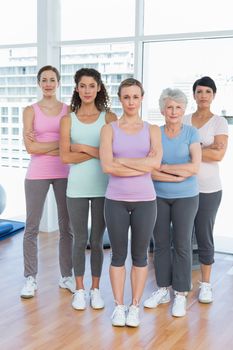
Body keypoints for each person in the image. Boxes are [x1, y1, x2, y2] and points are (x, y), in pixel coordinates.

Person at [100, 78, 162, 327]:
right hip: (115, 200)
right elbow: (106, 166)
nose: (131, 101)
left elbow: (155, 164)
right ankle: (119, 306)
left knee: (140, 257)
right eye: (126, 97)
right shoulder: (109, 129)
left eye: (135, 96)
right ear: (120, 99)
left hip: (146, 201)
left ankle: (134, 305)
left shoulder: (152, 129)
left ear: (141, 98)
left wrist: (121, 162)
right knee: (117, 256)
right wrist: (141, 165)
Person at [60, 68, 117, 311]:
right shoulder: (67, 120)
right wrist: (97, 153)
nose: (87, 90)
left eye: (91, 86)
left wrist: (81, 147)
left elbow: (111, 155)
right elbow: (65, 156)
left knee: (96, 240)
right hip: (77, 188)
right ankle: (80, 290)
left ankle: (96, 289)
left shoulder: (110, 118)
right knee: (79, 239)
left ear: (99, 88)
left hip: (104, 187)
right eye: (82, 86)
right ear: (76, 88)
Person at [143, 88, 201, 317]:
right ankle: (163, 289)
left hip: (187, 196)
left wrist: (163, 167)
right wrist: (176, 172)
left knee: (182, 243)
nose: (174, 111)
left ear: (184, 110)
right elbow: (150, 169)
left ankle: (180, 294)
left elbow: (195, 167)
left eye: (178, 107)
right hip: (158, 195)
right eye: (169, 107)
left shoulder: (191, 133)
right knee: (161, 244)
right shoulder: (155, 133)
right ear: (162, 110)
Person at [21, 65, 74, 299]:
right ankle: (30, 278)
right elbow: (30, 147)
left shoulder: (69, 110)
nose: (48, 83)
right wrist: (59, 145)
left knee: (67, 228)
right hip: (37, 173)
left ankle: (66, 276)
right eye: (44, 80)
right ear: (39, 83)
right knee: (31, 227)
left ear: (58, 83)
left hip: (64, 171)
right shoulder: (30, 111)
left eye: (52, 79)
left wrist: (48, 147)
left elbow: (70, 145)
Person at [183, 76, 228, 303]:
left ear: (213, 95)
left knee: (204, 235)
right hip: (184, 187)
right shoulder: (183, 119)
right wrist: (205, 147)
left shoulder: (219, 122)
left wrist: (192, 147)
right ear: (194, 95)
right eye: (199, 91)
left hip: (209, 190)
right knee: (181, 236)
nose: (203, 96)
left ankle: (206, 284)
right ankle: (181, 283)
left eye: (207, 92)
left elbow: (219, 154)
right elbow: (177, 152)